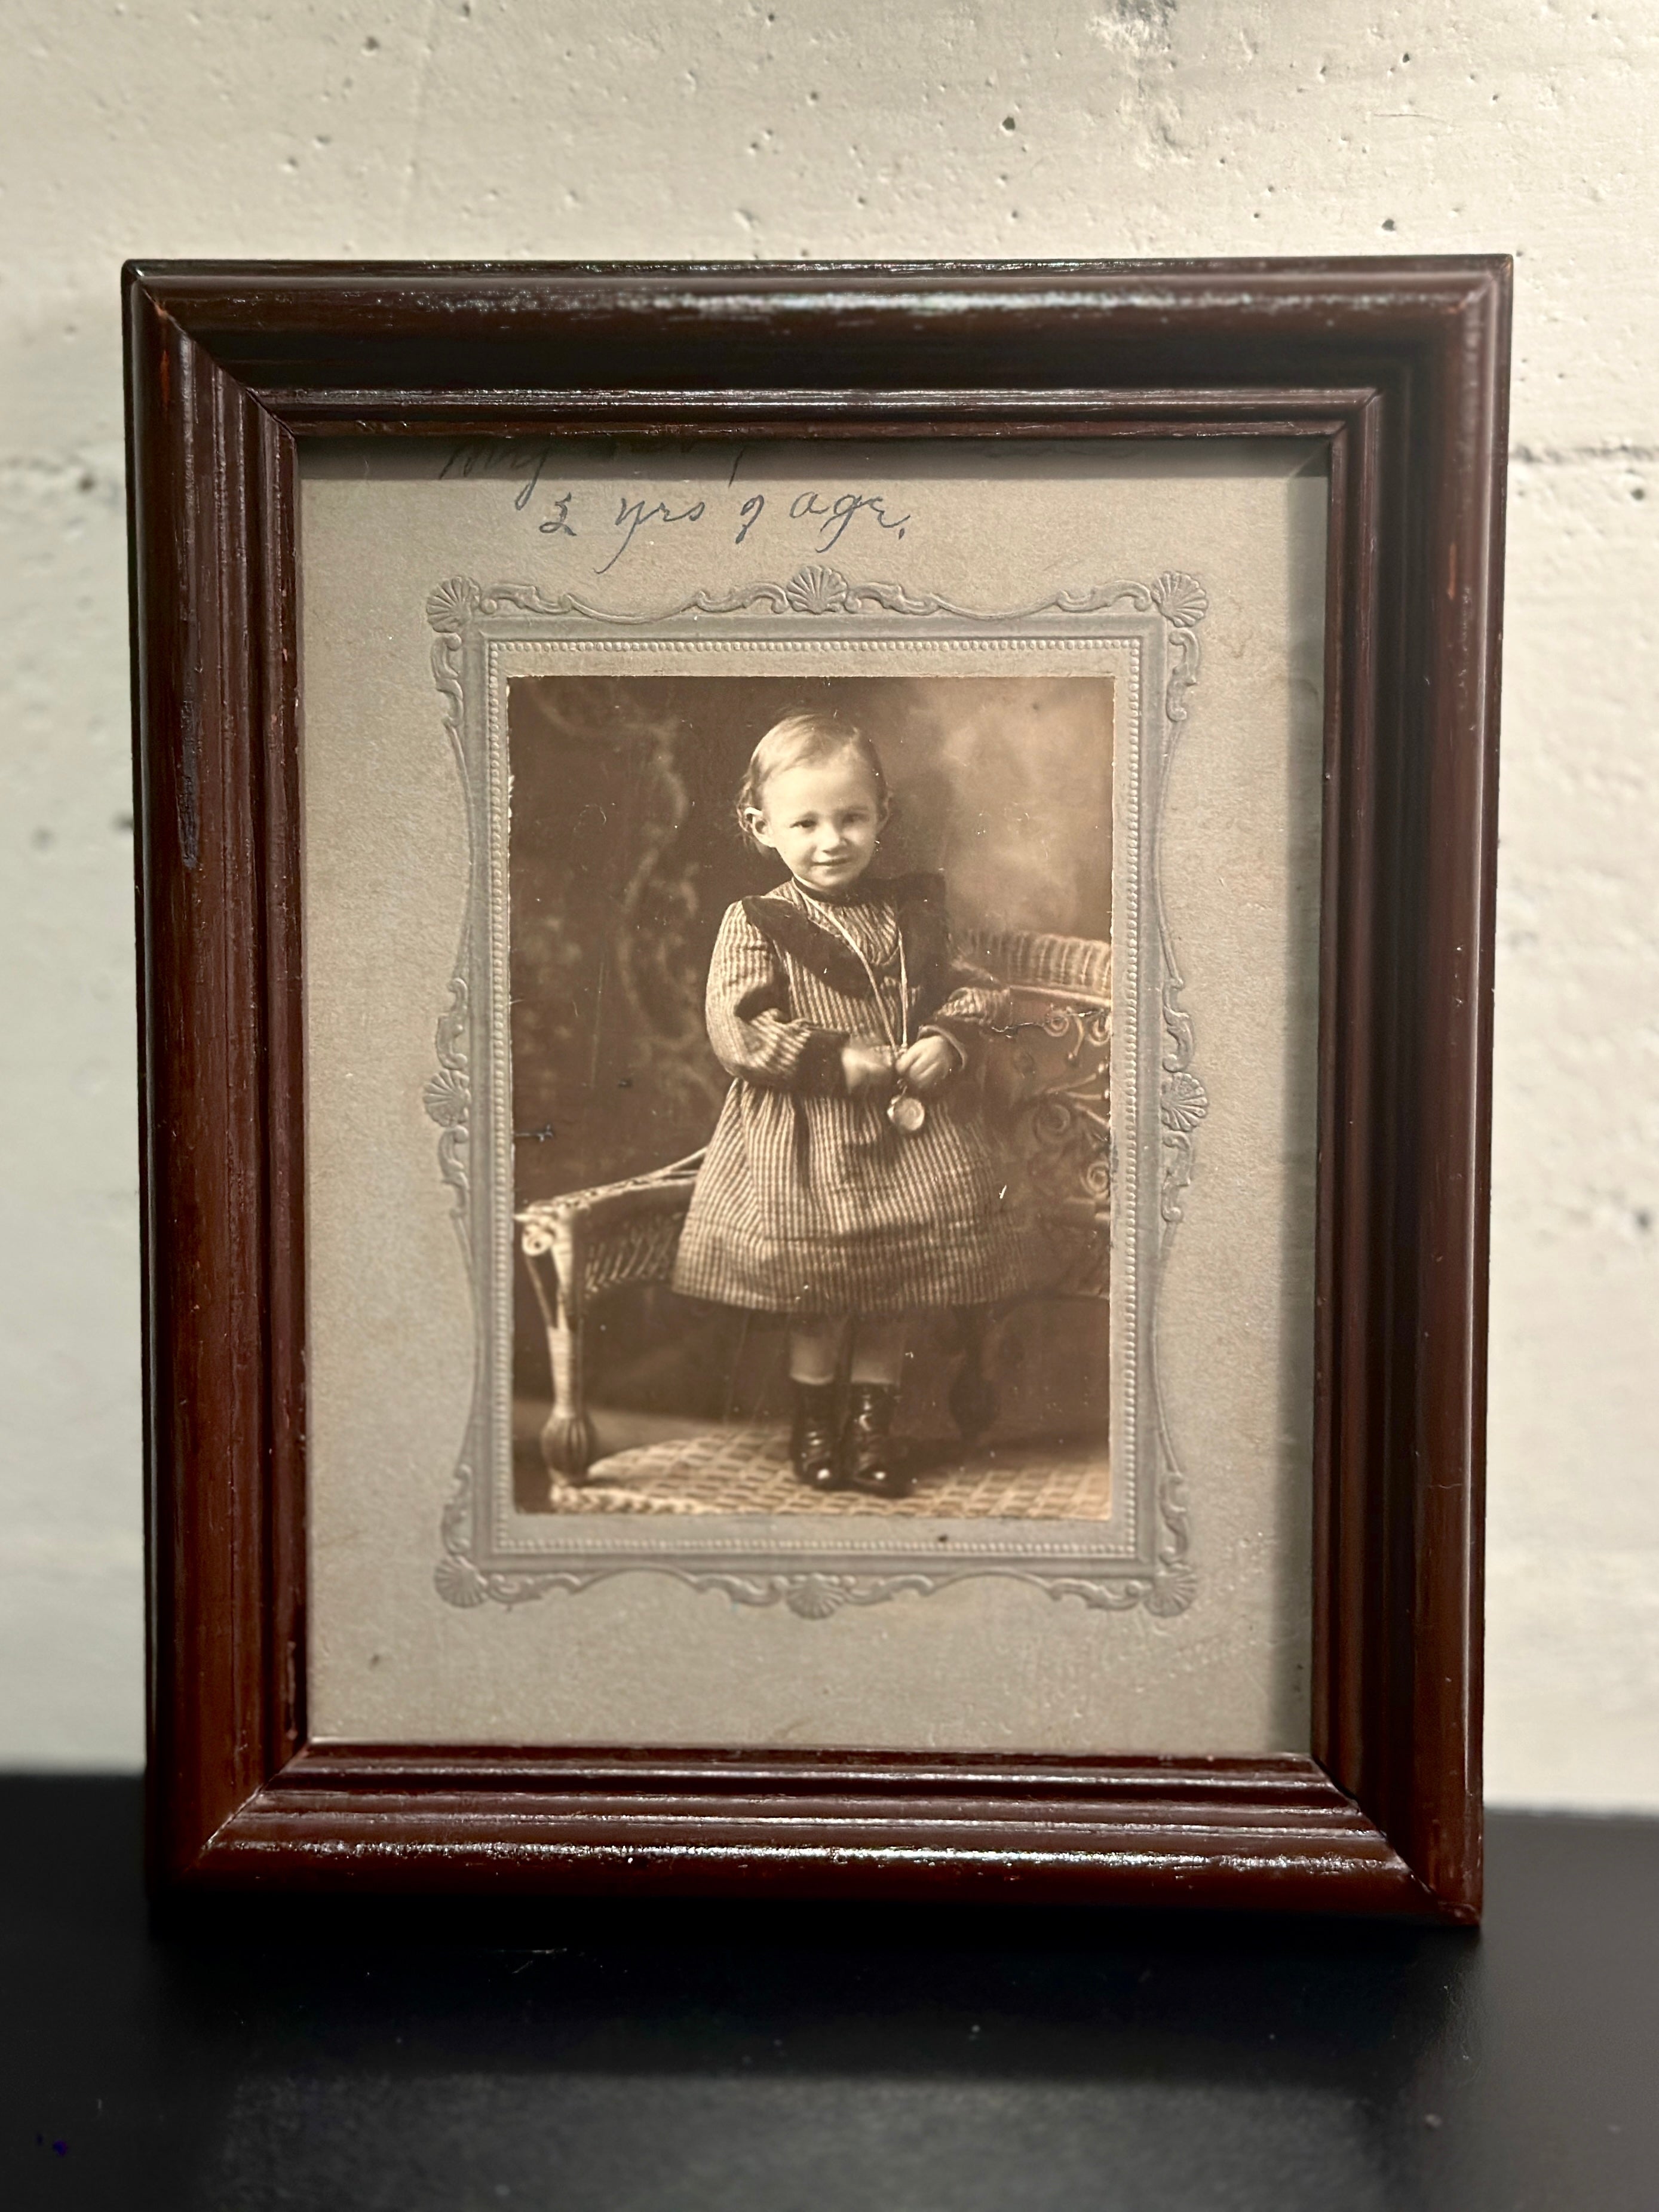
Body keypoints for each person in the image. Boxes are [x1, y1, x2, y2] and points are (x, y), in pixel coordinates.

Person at [671, 711, 1035, 1498]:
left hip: (911, 1142)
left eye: (851, 818)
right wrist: (832, 1057)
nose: (831, 841)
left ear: (882, 817)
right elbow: (738, 1028)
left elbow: (980, 988)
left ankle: (872, 1428)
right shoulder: (756, 923)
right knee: (822, 1295)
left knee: (892, 1289)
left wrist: (948, 1039)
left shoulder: (913, 913)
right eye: (805, 823)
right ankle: (815, 1426)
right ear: (760, 826)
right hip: (810, 1141)